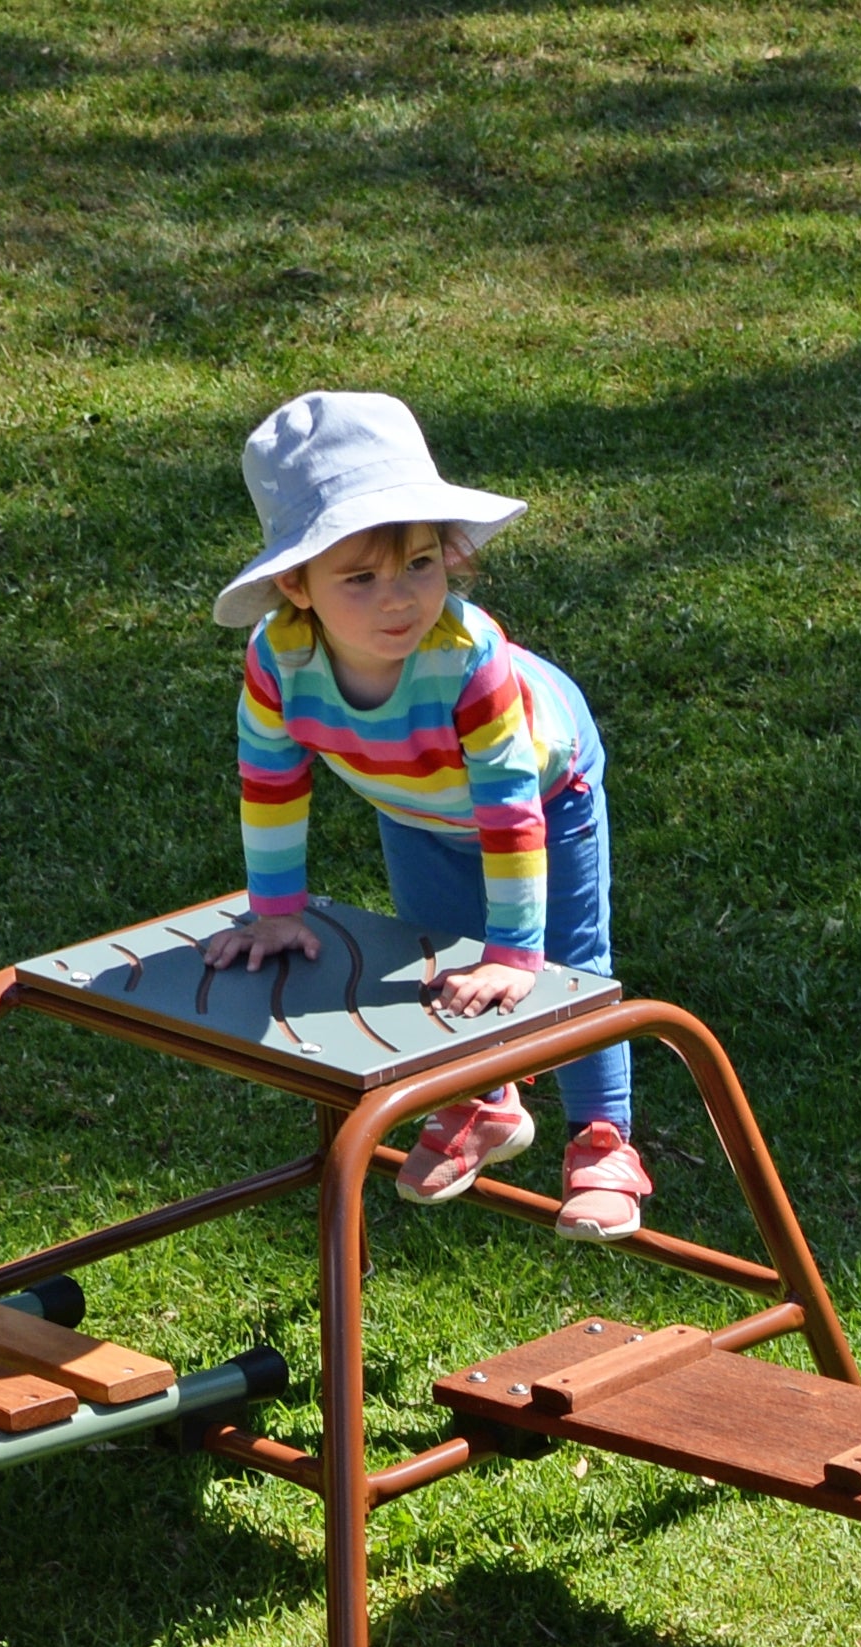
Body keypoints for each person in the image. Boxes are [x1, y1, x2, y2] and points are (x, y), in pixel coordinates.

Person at [199, 387, 645, 1242]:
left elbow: (511, 806)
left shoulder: (467, 659)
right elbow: (271, 781)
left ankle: (603, 1142)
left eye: (421, 566)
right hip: (414, 806)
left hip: (545, 794)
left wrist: (519, 954)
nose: (399, 599)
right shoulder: (278, 662)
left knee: (569, 967)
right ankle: (488, 1100)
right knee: (437, 954)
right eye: (359, 579)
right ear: (296, 585)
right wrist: (275, 911)